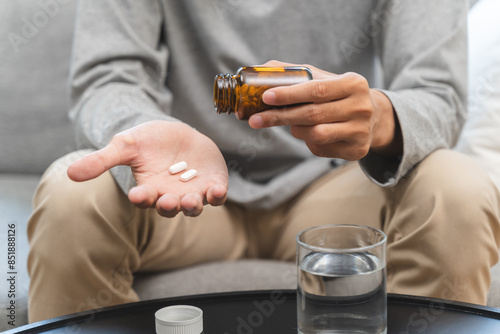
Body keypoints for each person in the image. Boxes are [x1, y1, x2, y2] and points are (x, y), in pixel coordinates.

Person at [27, 0, 500, 322]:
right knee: (73, 191)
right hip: (185, 187)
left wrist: (379, 117)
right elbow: (109, 75)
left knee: (457, 187)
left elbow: (437, 94)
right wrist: (143, 126)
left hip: (334, 192)